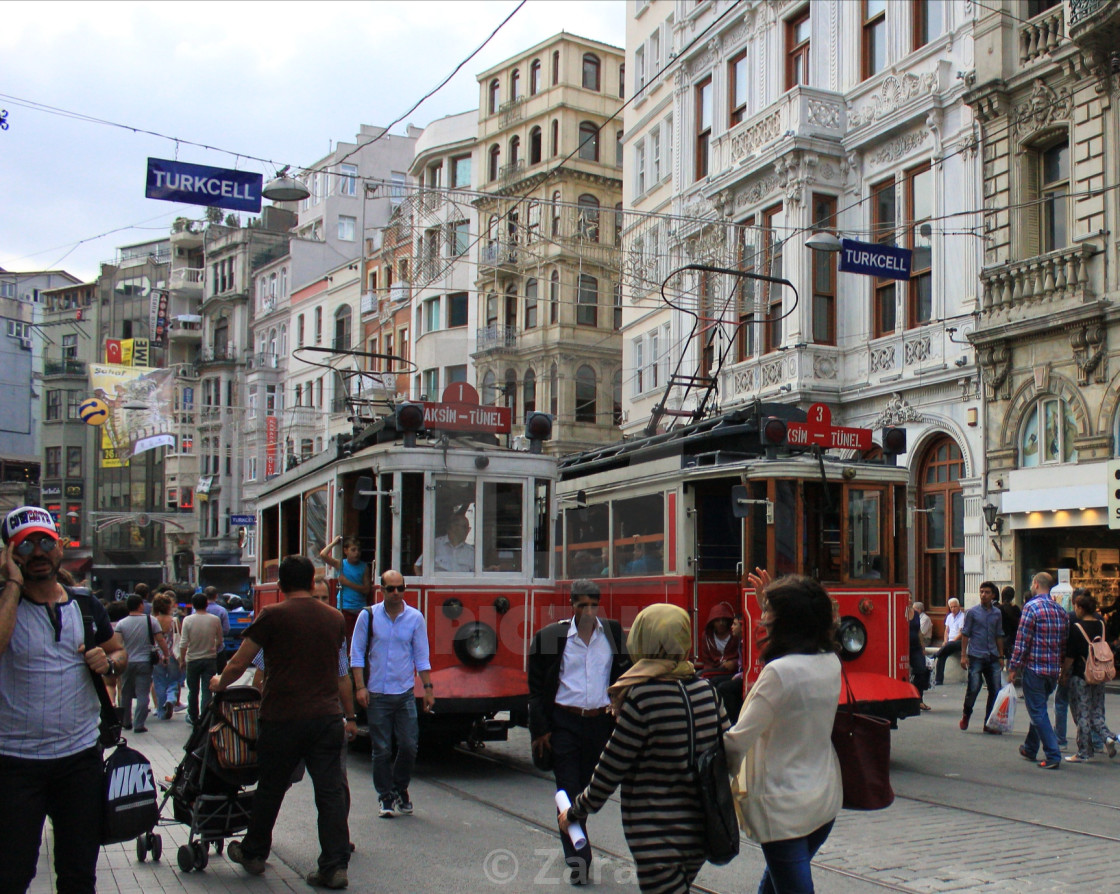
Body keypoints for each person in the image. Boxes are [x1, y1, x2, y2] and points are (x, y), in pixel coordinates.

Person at [0, 505, 127, 894]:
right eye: (24, 546)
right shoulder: (7, 603)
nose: (37, 553)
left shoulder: (85, 605)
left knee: (77, 874)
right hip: (14, 763)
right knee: (11, 874)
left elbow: (119, 652)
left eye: (44, 542)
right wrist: (12, 585)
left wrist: (109, 661)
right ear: (10, 555)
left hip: (78, 761)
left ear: (60, 547)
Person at [559, 604, 726, 893]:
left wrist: (574, 812)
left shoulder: (643, 697)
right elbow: (728, 751)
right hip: (702, 831)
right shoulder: (707, 692)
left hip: (656, 835)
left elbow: (611, 768)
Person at [216, 554, 355, 888]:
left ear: (280, 585)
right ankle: (334, 865)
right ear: (311, 582)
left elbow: (241, 661)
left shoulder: (272, 615)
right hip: (326, 718)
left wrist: (219, 683)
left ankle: (253, 852)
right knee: (331, 793)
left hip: (282, 718)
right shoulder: (335, 618)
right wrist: (350, 716)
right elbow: (342, 675)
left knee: (271, 788)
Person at [723, 569, 842, 894]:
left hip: (782, 808)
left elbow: (736, 743)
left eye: (769, 613)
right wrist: (775, 599)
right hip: (823, 799)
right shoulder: (830, 662)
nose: (762, 621)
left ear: (786, 621)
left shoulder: (779, 674)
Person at [529, 580, 628, 884]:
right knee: (568, 789)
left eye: (592, 605)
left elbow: (625, 675)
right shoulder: (550, 636)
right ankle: (579, 860)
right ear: (571, 605)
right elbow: (535, 688)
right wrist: (540, 730)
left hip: (599, 723)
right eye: (581, 605)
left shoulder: (612, 633)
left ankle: (575, 831)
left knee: (588, 790)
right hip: (565, 723)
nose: (587, 611)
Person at [350, 569, 434, 818]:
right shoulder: (368, 616)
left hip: (405, 692)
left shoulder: (415, 618)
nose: (396, 593)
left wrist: (428, 689)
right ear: (381, 590)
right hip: (377, 693)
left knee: (409, 745)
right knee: (382, 749)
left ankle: (400, 787)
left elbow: (421, 656)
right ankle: (385, 796)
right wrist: (360, 687)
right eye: (391, 589)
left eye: (400, 588)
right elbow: (356, 654)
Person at [1008, 572, 1069, 769]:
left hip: (1035, 668)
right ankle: (1030, 747)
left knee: (1038, 711)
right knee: (1039, 708)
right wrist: (1061, 668)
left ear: (1035, 584)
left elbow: (1022, 640)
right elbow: (1064, 642)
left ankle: (1053, 754)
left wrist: (1013, 667)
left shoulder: (1031, 607)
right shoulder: (1060, 610)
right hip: (1052, 669)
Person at [1061, 591, 1118, 763]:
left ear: (1080, 608)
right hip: (1099, 672)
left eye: (1076, 607)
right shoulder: (1101, 624)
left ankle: (1084, 751)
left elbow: (1071, 655)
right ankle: (1107, 737)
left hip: (1082, 674)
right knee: (1097, 710)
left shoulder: (1076, 628)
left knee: (1083, 713)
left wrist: (1064, 673)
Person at [114, 593, 169, 732]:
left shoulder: (122, 623)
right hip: (145, 662)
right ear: (140, 605)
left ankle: (126, 721)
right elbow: (160, 639)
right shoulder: (151, 621)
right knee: (142, 694)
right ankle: (139, 724)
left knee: (125, 692)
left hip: (127, 661)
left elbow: (117, 644)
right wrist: (166, 655)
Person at [959, 581, 1006, 732]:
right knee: (973, 687)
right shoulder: (972, 612)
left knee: (995, 689)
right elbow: (965, 634)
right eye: (981, 592)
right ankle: (967, 714)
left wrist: (1001, 656)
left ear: (993, 595)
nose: (983, 595)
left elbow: (999, 635)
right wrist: (963, 656)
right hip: (976, 655)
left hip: (992, 655)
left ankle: (989, 723)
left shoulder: (997, 613)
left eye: (987, 592)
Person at [178, 591, 224, 725]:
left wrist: (182, 660)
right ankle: (205, 716)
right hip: (209, 659)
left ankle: (193, 716)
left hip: (192, 659)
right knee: (207, 690)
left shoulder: (188, 620)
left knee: (193, 690)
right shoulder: (215, 619)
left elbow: (183, 642)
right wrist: (212, 648)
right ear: (206, 605)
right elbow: (220, 640)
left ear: (193, 605)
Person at [319, 535, 370, 622]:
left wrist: (347, 583)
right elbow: (323, 554)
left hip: (359, 607)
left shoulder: (364, 567)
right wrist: (334, 543)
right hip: (344, 606)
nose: (357, 553)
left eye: (359, 550)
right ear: (346, 551)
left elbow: (366, 589)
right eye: (353, 550)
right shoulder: (341, 564)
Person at [151, 592, 181, 720]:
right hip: (172, 654)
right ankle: (171, 698)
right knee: (174, 679)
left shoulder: (152, 620)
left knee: (159, 681)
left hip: (157, 654)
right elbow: (180, 636)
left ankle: (161, 710)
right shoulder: (174, 620)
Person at [697, 601, 740, 684]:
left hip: (733, 671)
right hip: (714, 670)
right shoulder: (706, 636)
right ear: (712, 622)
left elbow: (743, 657)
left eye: (724, 620)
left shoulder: (735, 635)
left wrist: (734, 663)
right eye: (717, 620)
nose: (721, 623)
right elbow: (707, 659)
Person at [934, 597, 965, 685]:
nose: (953, 609)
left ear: (959, 606)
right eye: (951, 607)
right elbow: (946, 630)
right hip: (949, 643)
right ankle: (939, 680)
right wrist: (945, 641)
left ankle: (935, 655)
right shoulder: (949, 617)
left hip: (958, 642)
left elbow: (961, 633)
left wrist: (951, 642)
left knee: (948, 646)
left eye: (955, 607)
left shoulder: (962, 617)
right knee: (942, 656)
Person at [907, 599, 932, 712]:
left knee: (921, 670)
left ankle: (918, 700)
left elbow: (919, 632)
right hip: (903, 647)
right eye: (907, 597)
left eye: (910, 597)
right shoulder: (900, 612)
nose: (909, 599)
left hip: (916, 647)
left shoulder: (916, 614)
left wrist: (923, 647)